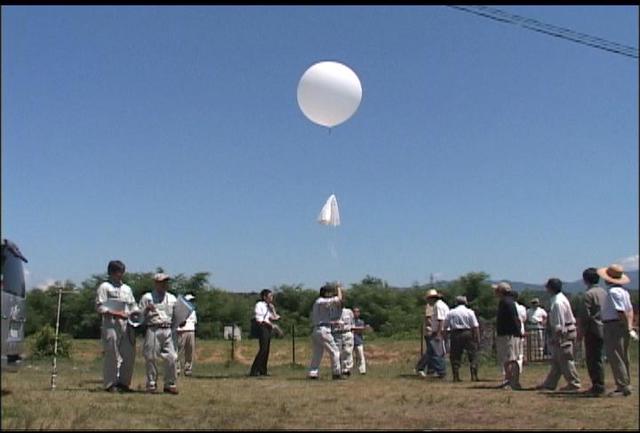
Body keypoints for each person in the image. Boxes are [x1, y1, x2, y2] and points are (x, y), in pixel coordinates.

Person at [95, 260, 140, 393]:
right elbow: (99, 306)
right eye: (117, 272)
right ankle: (110, 384)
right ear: (111, 273)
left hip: (126, 323)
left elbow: (133, 305)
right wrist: (115, 313)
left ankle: (124, 383)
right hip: (111, 323)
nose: (120, 275)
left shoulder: (127, 289)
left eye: (121, 272)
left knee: (128, 354)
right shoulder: (104, 287)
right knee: (112, 353)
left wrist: (137, 314)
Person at [598, 264, 637, 397]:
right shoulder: (625, 292)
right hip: (622, 325)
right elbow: (630, 310)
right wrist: (629, 327)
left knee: (615, 355)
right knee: (624, 354)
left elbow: (620, 311)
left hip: (613, 325)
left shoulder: (613, 292)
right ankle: (627, 382)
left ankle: (622, 386)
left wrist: (625, 324)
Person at [537, 278, 581, 392]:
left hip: (563, 333)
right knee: (557, 360)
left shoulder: (557, 303)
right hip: (567, 330)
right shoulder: (560, 299)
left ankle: (574, 383)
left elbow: (559, 323)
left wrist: (556, 337)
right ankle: (549, 384)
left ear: (550, 288)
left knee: (565, 358)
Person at [139, 273, 179, 394]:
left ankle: (170, 383)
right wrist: (146, 310)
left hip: (168, 329)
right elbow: (137, 316)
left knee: (172, 357)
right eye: (161, 282)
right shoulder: (147, 297)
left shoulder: (172, 298)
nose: (164, 284)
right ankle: (151, 384)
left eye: (166, 282)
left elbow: (177, 315)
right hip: (153, 328)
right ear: (156, 283)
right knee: (151, 357)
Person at [576, 267, 607, 396]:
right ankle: (600, 383)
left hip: (593, 329)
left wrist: (580, 332)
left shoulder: (588, 295)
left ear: (585, 280)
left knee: (593, 359)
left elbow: (584, 316)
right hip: (605, 327)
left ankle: (598, 385)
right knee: (600, 357)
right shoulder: (604, 293)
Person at [308, 283, 344, 380]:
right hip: (323, 330)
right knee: (335, 351)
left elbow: (322, 319)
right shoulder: (321, 301)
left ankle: (313, 373)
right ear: (326, 293)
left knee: (317, 353)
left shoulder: (319, 302)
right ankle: (336, 373)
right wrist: (339, 288)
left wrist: (333, 322)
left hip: (317, 329)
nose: (332, 294)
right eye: (330, 292)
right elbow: (339, 299)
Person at [493, 281, 523, 390]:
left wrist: (517, 332)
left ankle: (512, 381)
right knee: (508, 358)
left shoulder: (506, 302)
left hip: (508, 334)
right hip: (508, 334)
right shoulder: (507, 302)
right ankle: (510, 380)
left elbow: (514, 318)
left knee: (510, 358)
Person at [444, 296, 480, 382]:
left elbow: (445, 326)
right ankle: (474, 375)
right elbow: (475, 326)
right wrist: (477, 338)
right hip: (467, 333)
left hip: (455, 334)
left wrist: (445, 336)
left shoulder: (451, 312)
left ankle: (456, 376)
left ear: (456, 303)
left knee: (455, 355)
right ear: (466, 303)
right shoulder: (470, 312)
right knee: (472, 354)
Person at [415, 289, 449, 379]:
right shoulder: (439, 305)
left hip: (438, 332)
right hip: (438, 331)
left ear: (431, 298)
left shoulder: (438, 306)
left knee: (436, 353)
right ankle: (420, 368)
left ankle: (441, 372)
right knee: (431, 352)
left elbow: (440, 320)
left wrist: (438, 334)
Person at [249, 289, 280, 377]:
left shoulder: (269, 306)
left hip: (268, 327)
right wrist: (271, 325)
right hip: (262, 327)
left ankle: (263, 369)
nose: (271, 298)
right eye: (270, 296)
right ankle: (254, 370)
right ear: (264, 297)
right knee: (263, 349)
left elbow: (274, 317)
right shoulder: (259, 305)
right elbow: (259, 318)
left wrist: (273, 310)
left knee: (266, 350)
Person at [176, 294, 197, 377]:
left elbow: (194, 321)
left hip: (191, 330)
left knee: (190, 351)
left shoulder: (194, 311)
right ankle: (176, 369)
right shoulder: (181, 310)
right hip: (182, 331)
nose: (192, 302)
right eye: (190, 300)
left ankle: (188, 369)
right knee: (179, 351)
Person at [333, 303, 355, 377]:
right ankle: (337, 371)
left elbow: (352, 323)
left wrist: (352, 334)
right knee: (337, 353)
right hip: (337, 333)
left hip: (347, 332)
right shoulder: (332, 311)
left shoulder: (349, 311)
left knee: (347, 351)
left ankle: (346, 369)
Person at [351, 306, 370, 375]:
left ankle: (362, 371)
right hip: (350, 341)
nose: (356, 313)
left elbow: (361, 330)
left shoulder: (361, 321)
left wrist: (355, 329)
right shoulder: (350, 321)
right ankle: (348, 370)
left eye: (357, 312)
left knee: (360, 356)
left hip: (358, 341)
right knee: (348, 356)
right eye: (354, 312)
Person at [512, 291, 528, 374]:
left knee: (511, 352)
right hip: (521, 330)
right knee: (520, 352)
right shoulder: (522, 308)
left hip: (511, 331)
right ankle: (519, 369)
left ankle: (510, 371)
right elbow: (524, 319)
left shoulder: (509, 306)